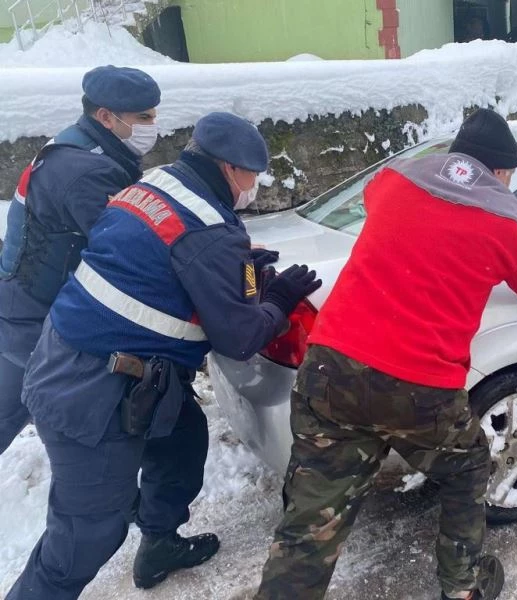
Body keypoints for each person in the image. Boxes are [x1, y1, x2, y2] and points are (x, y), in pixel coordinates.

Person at [255, 108, 517, 600]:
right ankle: (462, 586)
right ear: (502, 170)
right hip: (417, 388)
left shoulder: (393, 181)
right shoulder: (506, 224)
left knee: (313, 514)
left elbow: (380, 202)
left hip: (331, 367)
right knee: (467, 469)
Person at [6, 112, 322, 599]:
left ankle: (159, 544)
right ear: (230, 169)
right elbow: (239, 338)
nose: (255, 186)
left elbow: (172, 263)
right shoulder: (209, 231)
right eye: (253, 175)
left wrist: (242, 272)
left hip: (94, 359)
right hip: (90, 391)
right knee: (87, 535)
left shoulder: (155, 184)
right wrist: (277, 300)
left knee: (182, 443)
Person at [0, 65, 161, 454]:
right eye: (143, 117)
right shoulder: (87, 171)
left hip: (24, 300)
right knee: (22, 409)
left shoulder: (79, 144)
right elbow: (126, 248)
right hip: (35, 314)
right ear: (105, 116)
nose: (153, 126)